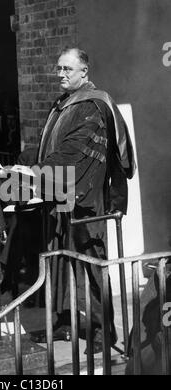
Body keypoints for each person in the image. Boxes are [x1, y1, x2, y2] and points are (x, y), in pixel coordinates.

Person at [28, 47, 136, 353]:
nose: (60, 74)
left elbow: (77, 152)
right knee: (60, 258)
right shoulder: (63, 103)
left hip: (86, 199)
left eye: (67, 69)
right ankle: (65, 321)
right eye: (59, 69)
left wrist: (37, 172)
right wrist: (24, 165)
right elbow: (51, 147)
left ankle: (104, 331)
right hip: (60, 194)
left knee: (91, 263)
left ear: (84, 72)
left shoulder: (94, 105)